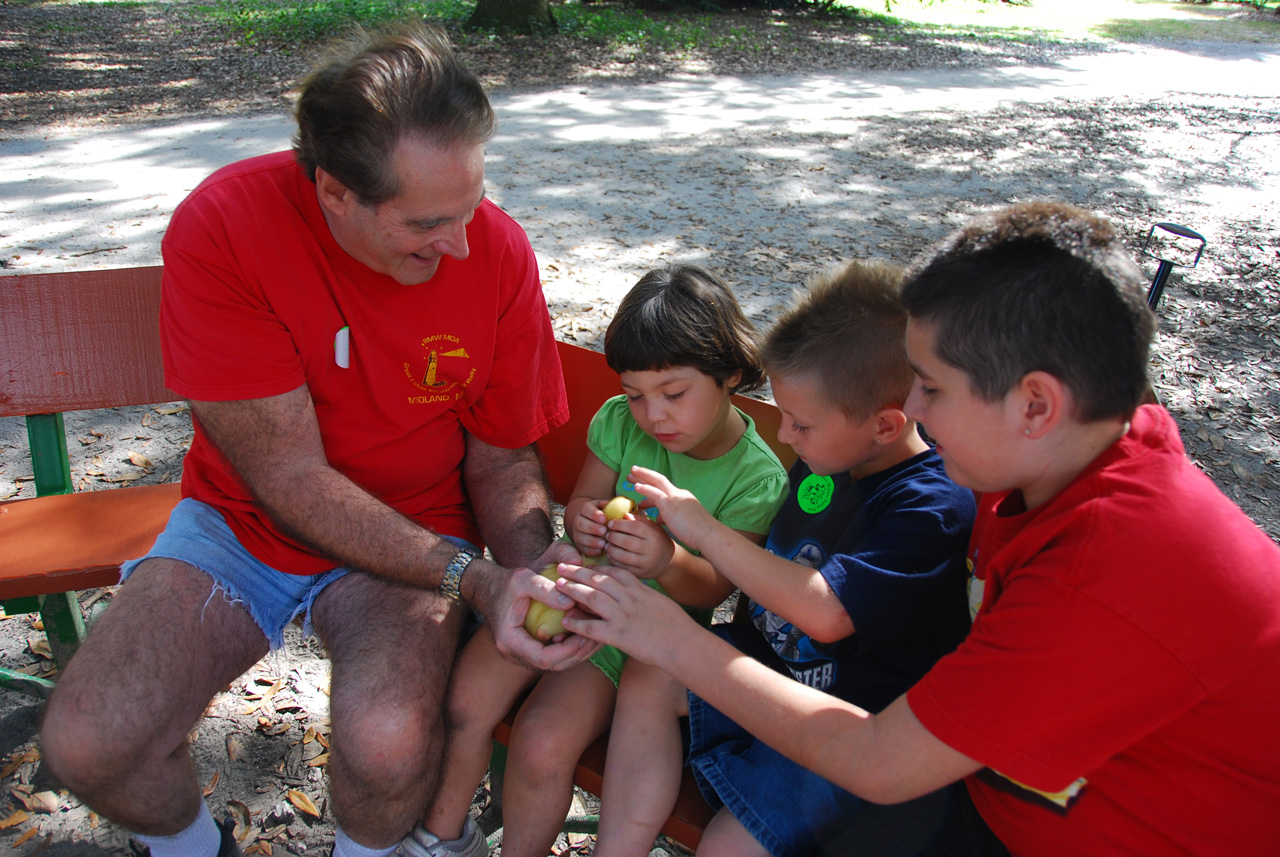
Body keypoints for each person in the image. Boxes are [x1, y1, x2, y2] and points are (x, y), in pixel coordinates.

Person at [556, 201, 1280, 855]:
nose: (915, 413)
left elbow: (879, 758)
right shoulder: (1067, 455)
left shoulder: (1106, 571)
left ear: (1036, 406)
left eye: (931, 386)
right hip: (988, 785)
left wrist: (672, 635)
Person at [39, 23, 596, 857]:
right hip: (242, 520)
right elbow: (287, 477)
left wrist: (532, 576)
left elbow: (500, 453)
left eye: (473, 204)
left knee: (389, 746)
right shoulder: (227, 227)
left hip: (418, 520)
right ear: (335, 190)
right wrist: (473, 579)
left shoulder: (495, 252)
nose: (462, 245)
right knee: (90, 738)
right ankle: (193, 848)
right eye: (428, 222)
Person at [593, 260, 979, 857]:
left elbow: (827, 613)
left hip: (845, 728)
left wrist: (701, 527)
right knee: (651, 672)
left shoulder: (929, 508)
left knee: (726, 845)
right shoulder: (831, 457)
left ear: (884, 425)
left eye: (800, 422)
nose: (786, 436)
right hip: (768, 673)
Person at [407, 264, 789, 857]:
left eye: (674, 394)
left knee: (540, 741)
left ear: (730, 374)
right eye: (636, 395)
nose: (653, 416)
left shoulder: (756, 477)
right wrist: (584, 515)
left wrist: (664, 560)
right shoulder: (619, 422)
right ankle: (440, 837)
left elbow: (713, 591)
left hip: (631, 636)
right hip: (564, 589)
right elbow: (585, 497)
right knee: (467, 698)